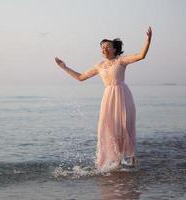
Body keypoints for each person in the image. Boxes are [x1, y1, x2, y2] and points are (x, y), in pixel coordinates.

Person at [54, 26, 152, 172]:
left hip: (122, 95)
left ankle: (132, 159)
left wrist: (148, 40)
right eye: (102, 47)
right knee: (106, 128)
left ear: (114, 49)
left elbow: (141, 56)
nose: (104, 49)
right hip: (108, 99)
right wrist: (64, 67)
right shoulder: (99, 65)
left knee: (125, 126)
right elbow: (81, 77)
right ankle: (115, 161)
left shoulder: (121, 61)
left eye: (107, 47)